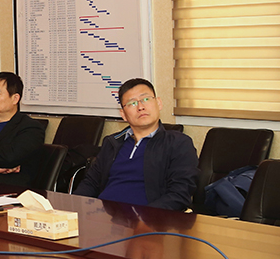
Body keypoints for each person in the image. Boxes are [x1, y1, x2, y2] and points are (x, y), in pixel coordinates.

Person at [74, 78, 198, 211]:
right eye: (132, 103)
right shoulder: (112, 142)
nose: (140, 107)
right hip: (103, 216)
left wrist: (144, 217)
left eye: (146, 99)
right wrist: (71, 209)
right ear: (123, 114)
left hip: (148, 219)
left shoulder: (178, 143)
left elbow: (180, 194)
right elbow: (91, 183)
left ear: (159, 103)